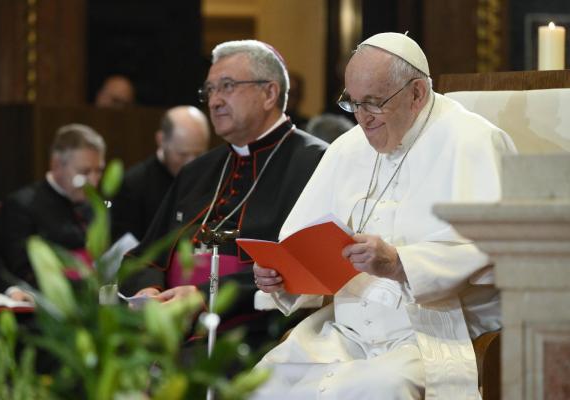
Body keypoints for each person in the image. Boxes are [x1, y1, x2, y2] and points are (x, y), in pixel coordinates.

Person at [251, 32, 517, 399]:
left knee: (372, 388)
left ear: (417, 94)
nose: (362, 119)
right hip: (344, 333)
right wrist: (281, 275)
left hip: (431, 334)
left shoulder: (475, 141)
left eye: (374, 104)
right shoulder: (347, 149)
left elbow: (500, 250)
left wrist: (400, 263)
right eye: (353, 103)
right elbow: (303, 242)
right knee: (262, 384)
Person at [122, 40, 327, 346]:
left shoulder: (317, 162)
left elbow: (308, 266)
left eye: (227, 86)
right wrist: (147, 291)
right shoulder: (196, 171)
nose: (214, 101)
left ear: (269, 93)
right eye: (210, 90)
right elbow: (147, 255)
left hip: (251, 331)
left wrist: (203, 297)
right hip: (164, 328)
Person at [0, 124, 106, 297]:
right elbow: (23, 271)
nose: (93, 181)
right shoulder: (22, 205)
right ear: (56, 165)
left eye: (98, 171)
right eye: (84, 172)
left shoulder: (94, 205)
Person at [111, 106, 211, 240]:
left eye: (199, 154)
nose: (191, 163)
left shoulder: (211, 176)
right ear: (161, 140)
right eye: (183, 154)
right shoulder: (134, 184)